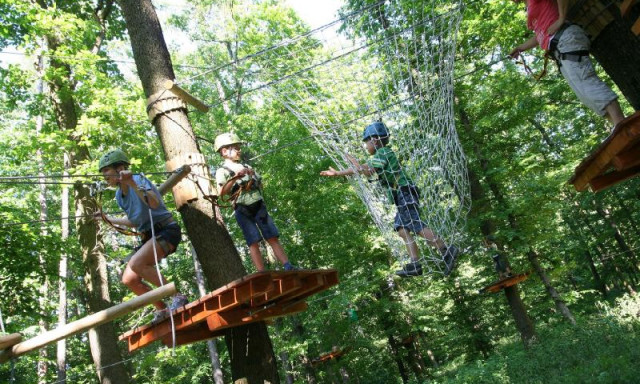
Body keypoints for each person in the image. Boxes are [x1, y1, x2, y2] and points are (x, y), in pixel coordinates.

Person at [320, 122, 459, 278]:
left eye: (366, 142)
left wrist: (341, 171)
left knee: (414, 223)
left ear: (375, 140)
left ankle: (446, 250)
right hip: (401, 195)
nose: (366, 146)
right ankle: (415, 264)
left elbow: (365, 170)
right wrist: (350, 166)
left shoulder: (384, 153)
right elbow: (367, 170)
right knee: (402, 229)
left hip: (404, 191)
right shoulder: (381, 155)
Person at [95, 149, 188, 322]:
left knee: (137, 263)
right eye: (103, 172)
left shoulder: (137, 179)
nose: (104, 176)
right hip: (149, 235)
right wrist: (107, 218)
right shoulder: (118, 195)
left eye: (107, 171)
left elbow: (153, 202)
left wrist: (132, 183)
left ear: (120, 168)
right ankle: (162, 309)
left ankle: (178, 296)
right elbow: (135, 221)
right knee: (129, 279)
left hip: (166, 231)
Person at [509, 0, 625, 126]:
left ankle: (622, 123)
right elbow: (540, 35)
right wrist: (520, 48)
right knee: (584, 94)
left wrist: (561, 19)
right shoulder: (529, 5)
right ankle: (617, 126)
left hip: (565, 38)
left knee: (586, 82)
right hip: (560, 49)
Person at [214, 132, 297, 272]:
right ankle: (261, 272)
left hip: (258, 204)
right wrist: (235, 178)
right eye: (235, 147)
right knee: (253, 241)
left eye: (238, 147)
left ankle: (287, 265)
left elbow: (259, 184)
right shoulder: (222, 171)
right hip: (242, 208)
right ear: (224, 151)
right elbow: (222, 192)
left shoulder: (246, 165)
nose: (239, 150)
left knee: (272, 236)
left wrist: (253, 176)